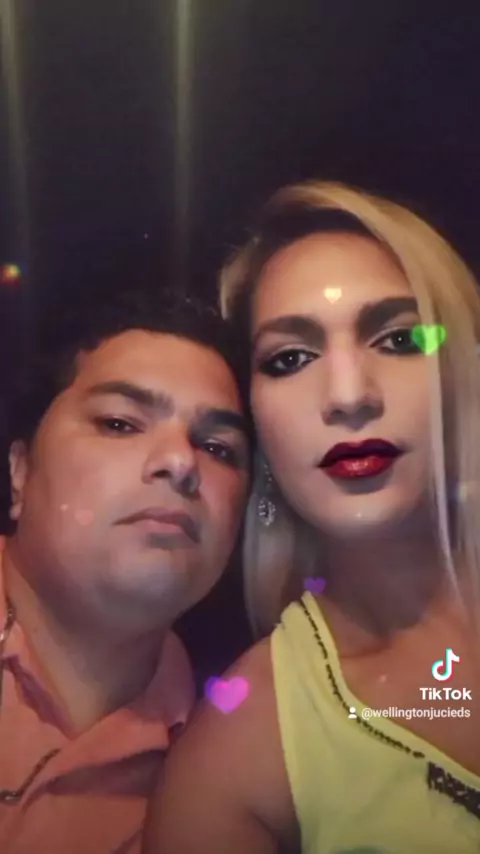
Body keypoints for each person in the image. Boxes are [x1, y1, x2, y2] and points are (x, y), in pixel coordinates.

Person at [144, 182, 480, 853]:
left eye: (400, 338)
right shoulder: (238, 752)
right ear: (255, 426)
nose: (350, 396)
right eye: (290, 359)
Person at [0, 288, 251, 854]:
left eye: (218, 448)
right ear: (20, 471)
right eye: (119, 423)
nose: (181, 461)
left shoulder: (238, 761)